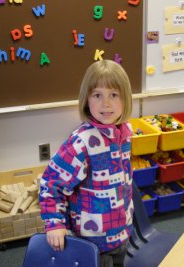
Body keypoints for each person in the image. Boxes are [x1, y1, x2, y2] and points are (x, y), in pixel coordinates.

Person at [39, 59, 133, 266]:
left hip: (121, 233)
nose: (106, 104)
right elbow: (51, 184)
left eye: (114, 95)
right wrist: (54, 223)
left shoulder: (125, 135)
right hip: (93, 243)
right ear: (86, 99)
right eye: (97, 95)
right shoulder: (81, 142)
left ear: (125, 99)